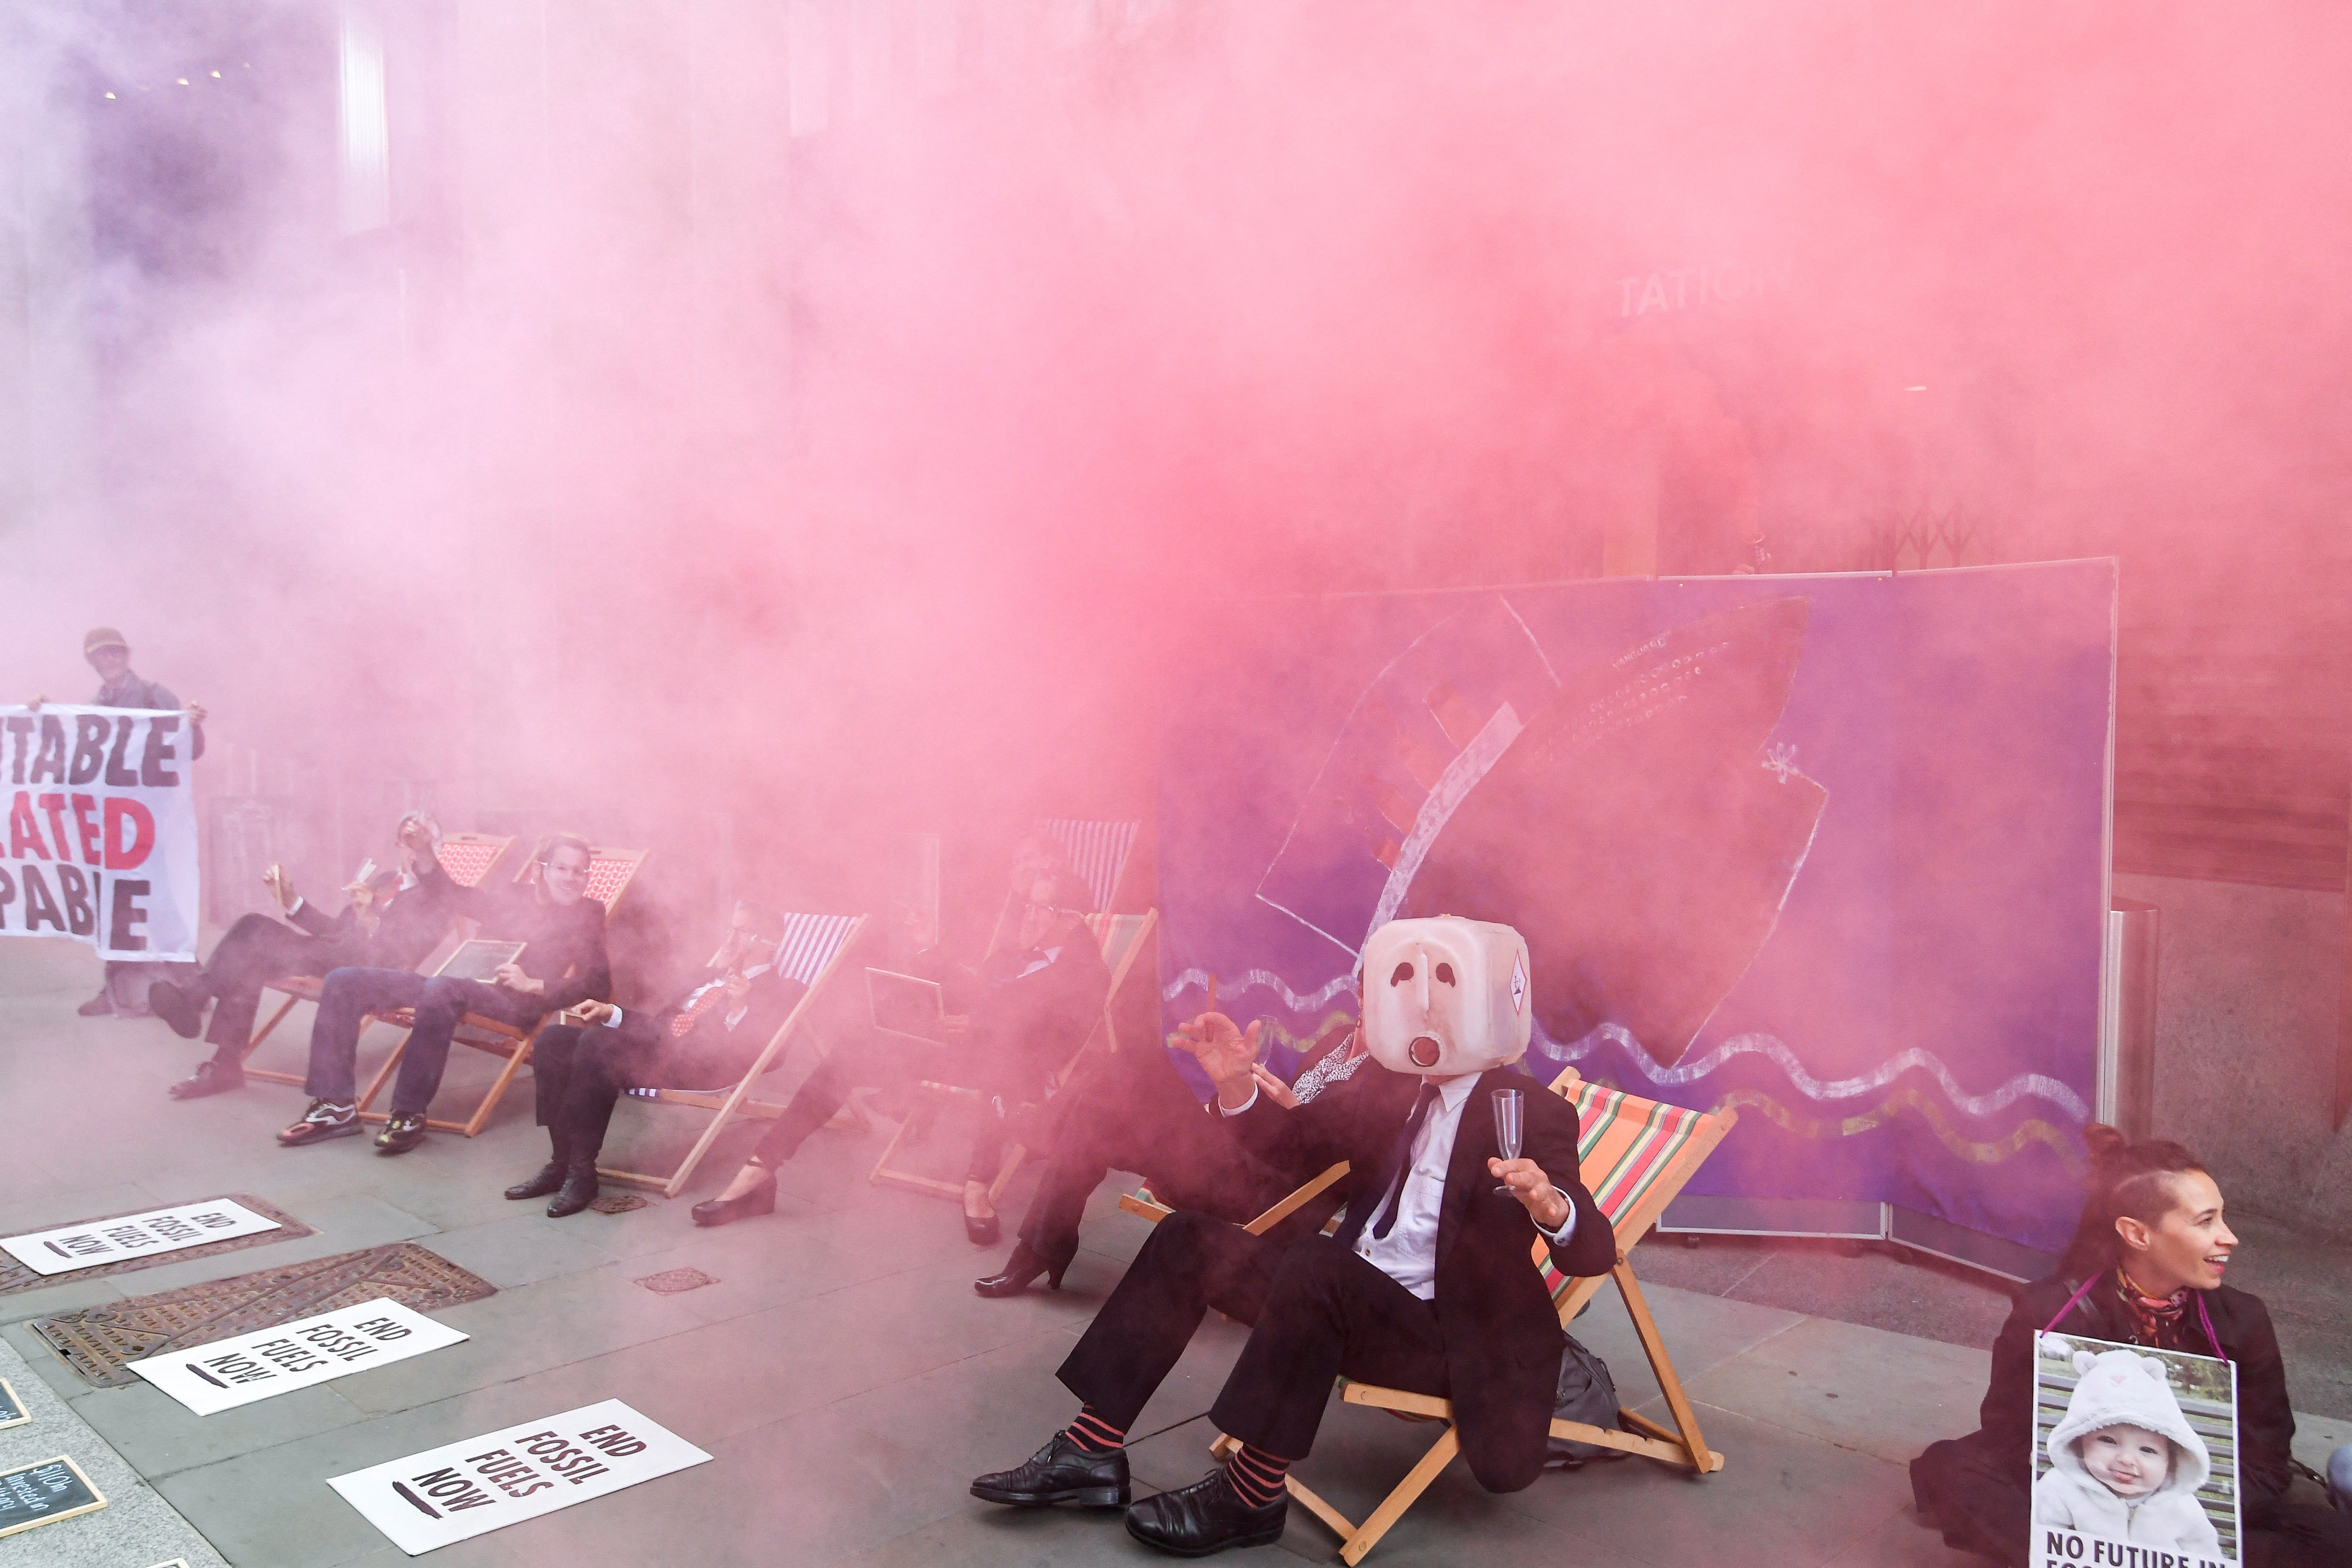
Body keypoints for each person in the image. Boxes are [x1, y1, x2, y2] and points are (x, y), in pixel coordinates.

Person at [969, 916, 1613, 1557]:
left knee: (1316, 1264)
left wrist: (1552, 1206)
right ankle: (1091, 1450)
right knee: (1188, 1236)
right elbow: (1298, 1146)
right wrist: (1235, 1084)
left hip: (1443, 1336)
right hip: (1351, 1304)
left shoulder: (1530, 1109)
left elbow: (1593, 1251)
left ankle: (1251, 1495)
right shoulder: (1393, 1085)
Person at [1911, 1125, 2352, 1568]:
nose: (2229, 1237)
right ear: (2137, 1234)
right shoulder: (2048, 1311)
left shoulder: (2244, 1320)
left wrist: (2166, 1513)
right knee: (1957, 1472)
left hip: (2186, 1511)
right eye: (2206, 1221)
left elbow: (2266, 1460)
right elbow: (2008, 1434)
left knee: (2332, 1537)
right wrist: (2100, 1510)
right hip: (2083, 1503)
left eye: (2222, 1217)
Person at [691, 838, 1109, 1239]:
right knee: (849, 1054)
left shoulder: (1088, 974)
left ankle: (978, 1184)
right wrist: (930, 949)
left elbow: (1056, 1048)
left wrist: (985, 1026)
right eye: (1029, 904)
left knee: (1003, 1065)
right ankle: (759, 1171)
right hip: (961, 1052)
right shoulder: (1014, 953)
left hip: (1014, 1072)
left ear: (1071, 918)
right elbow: (973, 991)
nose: (1029, 915)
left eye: (1042, 908)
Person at [972, 1012, 1371, 1298]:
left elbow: (1339, 1161)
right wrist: (1233, 1091)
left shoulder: (1391, 1078)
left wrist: (1292, 1109)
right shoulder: (1336, 1038)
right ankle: (1040, 1245)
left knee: (1130, 1069)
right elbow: (1263, 1123)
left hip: (1273, 1196)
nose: (1370, 1002)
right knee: (1102, 1110)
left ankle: (1039, 1140)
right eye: (1368, 989)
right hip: (1241, 1155)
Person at [278, 826, 610, 1156]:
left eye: (581, 871)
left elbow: (598, 983)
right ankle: (336, 1106)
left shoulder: (588, 914)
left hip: (514, 1001)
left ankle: (408, 1113)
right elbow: (452, 895)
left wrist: (534, 984)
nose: (571, 878)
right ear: (541, 869)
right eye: (562, 868)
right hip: (457, 983)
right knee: (343, 979)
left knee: (441, 987)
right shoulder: (514, 896)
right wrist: (424, 852)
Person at [504, 901, 803, 1218]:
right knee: (553, 1040)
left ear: (768, 940)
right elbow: (661, 1028)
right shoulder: (708, 974)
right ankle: (561, 1163)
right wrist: (614, 1013)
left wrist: (739, 1008)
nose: (729, 937)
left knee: (598, 1042)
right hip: (658, 1053)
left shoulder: (781, 991)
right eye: (730, 928)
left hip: (702, 1066)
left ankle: (582, 1171)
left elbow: (768, 1055)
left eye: (741, 931)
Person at [151, 812, 461, 1100]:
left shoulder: (438, 898)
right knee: (251, 930)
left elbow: (399, 954)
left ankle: (199, 1010)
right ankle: (222, 1057)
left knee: (250, 949)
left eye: (426, 842)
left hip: (368, 970)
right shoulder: (385, 881)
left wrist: (370, 918)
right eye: (409, 841)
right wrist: (289, 897)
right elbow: (335, 931)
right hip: (333, 953)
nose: (416, 849)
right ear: (398, 846)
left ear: (439, 848)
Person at [49, 628, 207, 1019]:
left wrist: (193, 724)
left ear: (125, 654)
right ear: (92, 661)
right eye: (100, 655)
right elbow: (80, 765)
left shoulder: (155, 695)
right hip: (105, 826)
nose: (108, 660)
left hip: (144, 820)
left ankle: (197, 986)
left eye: (113, 652)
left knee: (155, 902)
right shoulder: (93, 708)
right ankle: (119, 991)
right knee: (113, 909)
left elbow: (192, 749)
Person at [2031, 1345, 2221, 1555]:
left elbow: (2205, 1550)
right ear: (2079, 1441)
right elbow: (2039, 1541)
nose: (2127, 1459)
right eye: (2108, 1441)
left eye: (2148, 1450)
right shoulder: (2060, 1489)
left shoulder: (2181, 1506)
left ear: (2171, 1461)